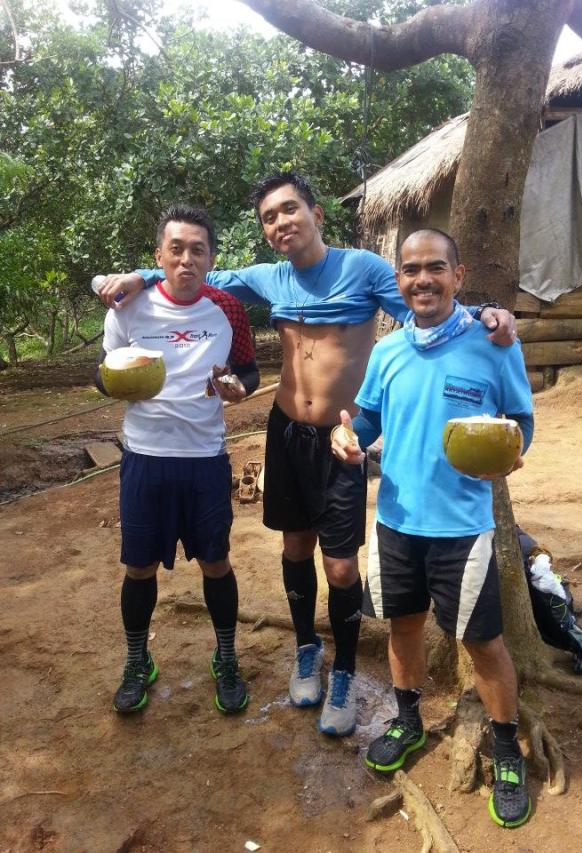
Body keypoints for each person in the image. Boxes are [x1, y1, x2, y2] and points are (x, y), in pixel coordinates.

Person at [97, 172, 517, 737]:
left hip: (343, 437)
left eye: (289, 210)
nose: (280, 223)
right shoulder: (268, 278)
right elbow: (196, 272)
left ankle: (342, 669)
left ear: (317, 214)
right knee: (294, 546)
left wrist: (491, 312)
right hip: (286, 431)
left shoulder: (365, 269)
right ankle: (304, 651)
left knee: (341, 566)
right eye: (269, 217)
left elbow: (433, 309)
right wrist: (141, 274)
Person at [331, 228, 534, 828]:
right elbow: (368, 416)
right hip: (395, 521)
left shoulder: (493, 343)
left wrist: (515, 449)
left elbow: (521, 418)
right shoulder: (389, 351)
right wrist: (350, 437)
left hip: (463, 528)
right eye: (411, 269)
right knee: (404, 627)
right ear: (399, 280)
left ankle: (505, 749)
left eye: (435, 268)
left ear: (458, 274)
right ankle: (410, 719)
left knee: (482, 643)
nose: (423, 279)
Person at [96, 204, 259, 715]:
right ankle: (137, 660)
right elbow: (101, 374)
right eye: (176, 248)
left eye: (198, 249)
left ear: (211, 257)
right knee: (139, 566)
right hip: (145, 457)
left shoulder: (228, 309)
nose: (186, 259)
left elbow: (249, 373)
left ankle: (227, 657)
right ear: (158, 256)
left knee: (216, 562)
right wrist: (121, 381)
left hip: (205, 458)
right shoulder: (128, 308)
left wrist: (237, 388)